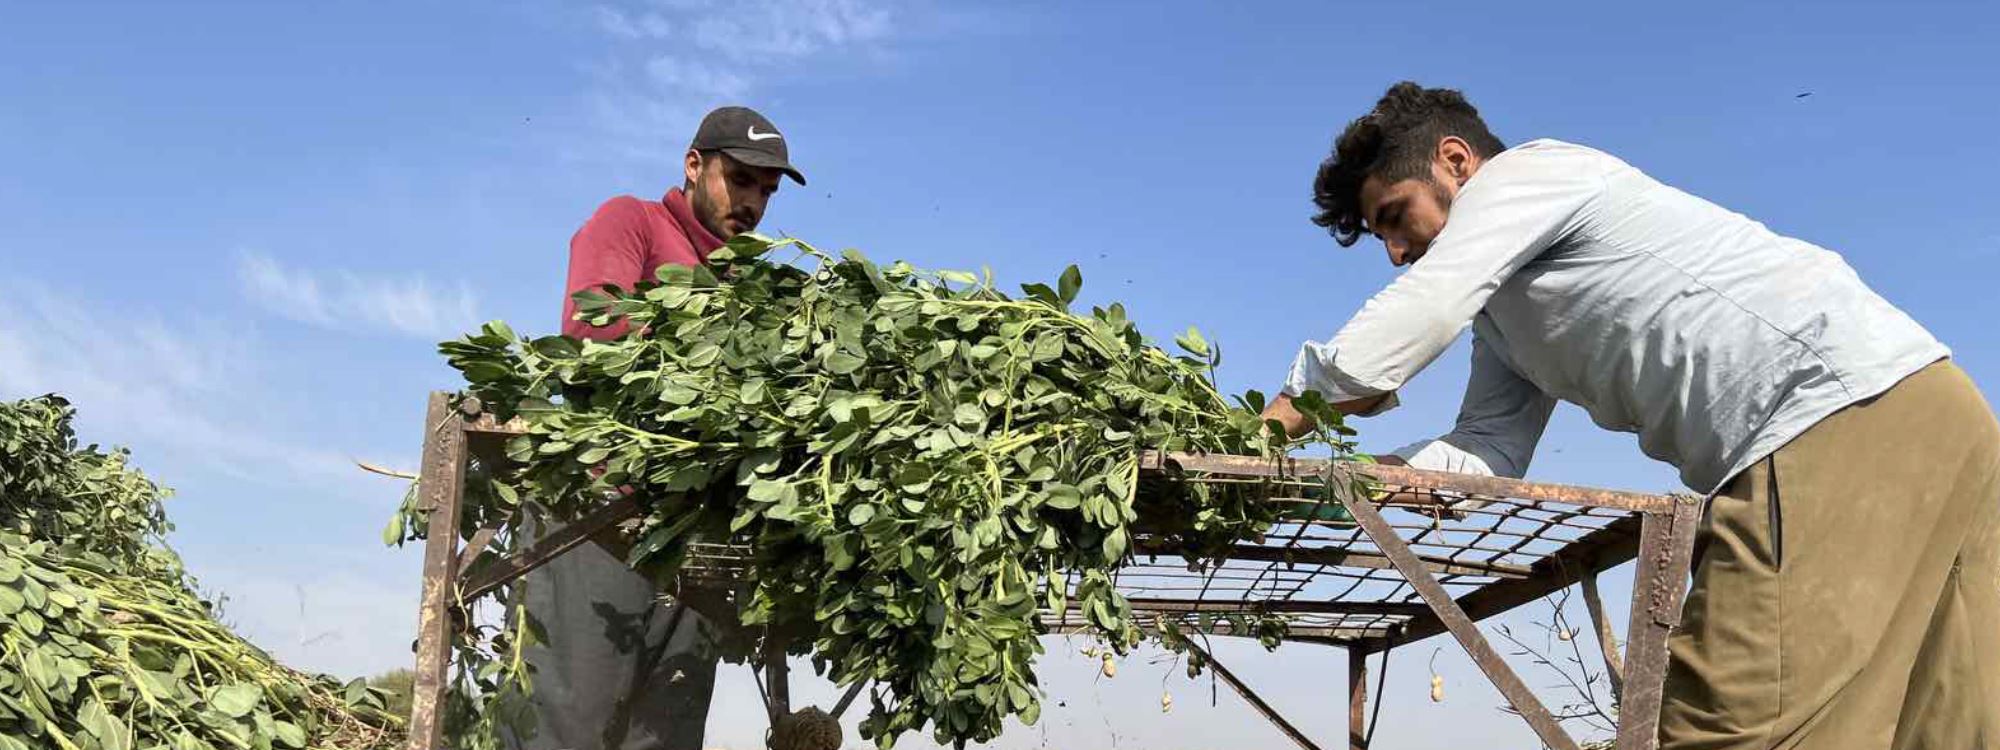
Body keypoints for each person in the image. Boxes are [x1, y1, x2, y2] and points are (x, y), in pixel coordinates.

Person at [1261, 82, 1997, 748]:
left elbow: (1413, 318)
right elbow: (1490, 446)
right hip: (1930, 409)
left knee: (1727, 724)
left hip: (1834, 415)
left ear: (1455, 162)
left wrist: (1264, 433)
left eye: (1395, 217)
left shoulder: (1529, 177)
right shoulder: (1503, 317)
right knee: (1944, 724)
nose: (1395, 251)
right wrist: (1368, 479)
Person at [518, 105, 805, 750]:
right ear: (694, 166)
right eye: (741, 179)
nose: (753, 202)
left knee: (665, 737)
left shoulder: (752, 287)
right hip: (598, 521)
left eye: (767, 191)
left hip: (695, 549)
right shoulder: (633, 221)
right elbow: (593, 327)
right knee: (566, 728)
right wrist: (719, 353)